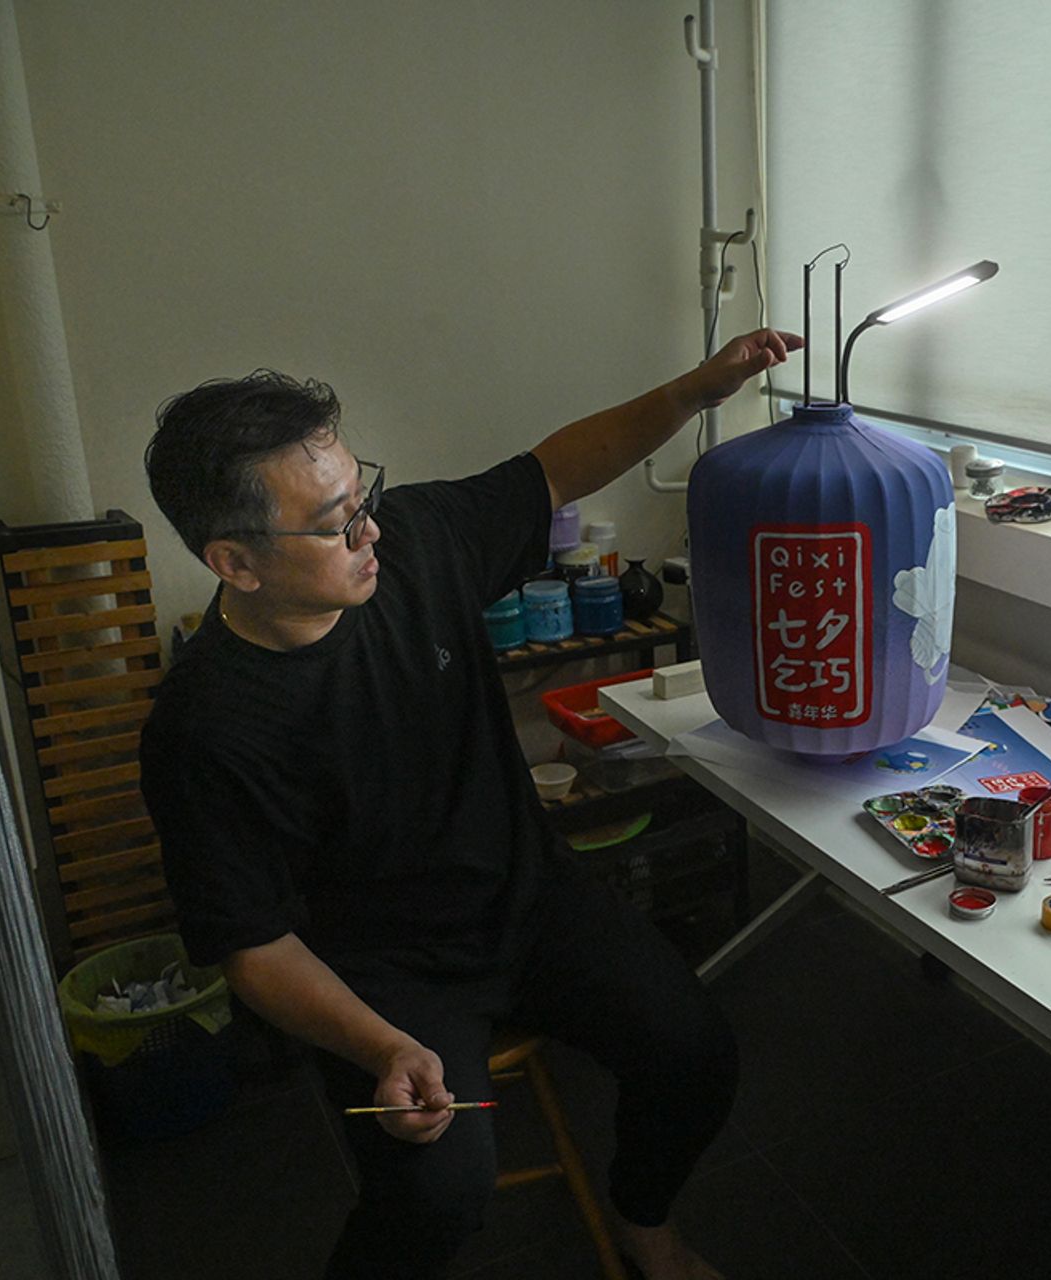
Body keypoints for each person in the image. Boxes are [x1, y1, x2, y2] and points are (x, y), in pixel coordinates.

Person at [139, 329, 800, 1279]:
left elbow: (557, 468)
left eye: (361, 497)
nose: (370, 531)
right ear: (236, 563)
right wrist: (384, 1046)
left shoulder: (412, 544)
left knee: (695, 1053)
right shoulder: (206, 729)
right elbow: (254, 945)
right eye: (334, 524)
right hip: (378, 971)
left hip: (526, 898)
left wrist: (701, 388)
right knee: (434, 1197)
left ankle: (643, 1221)